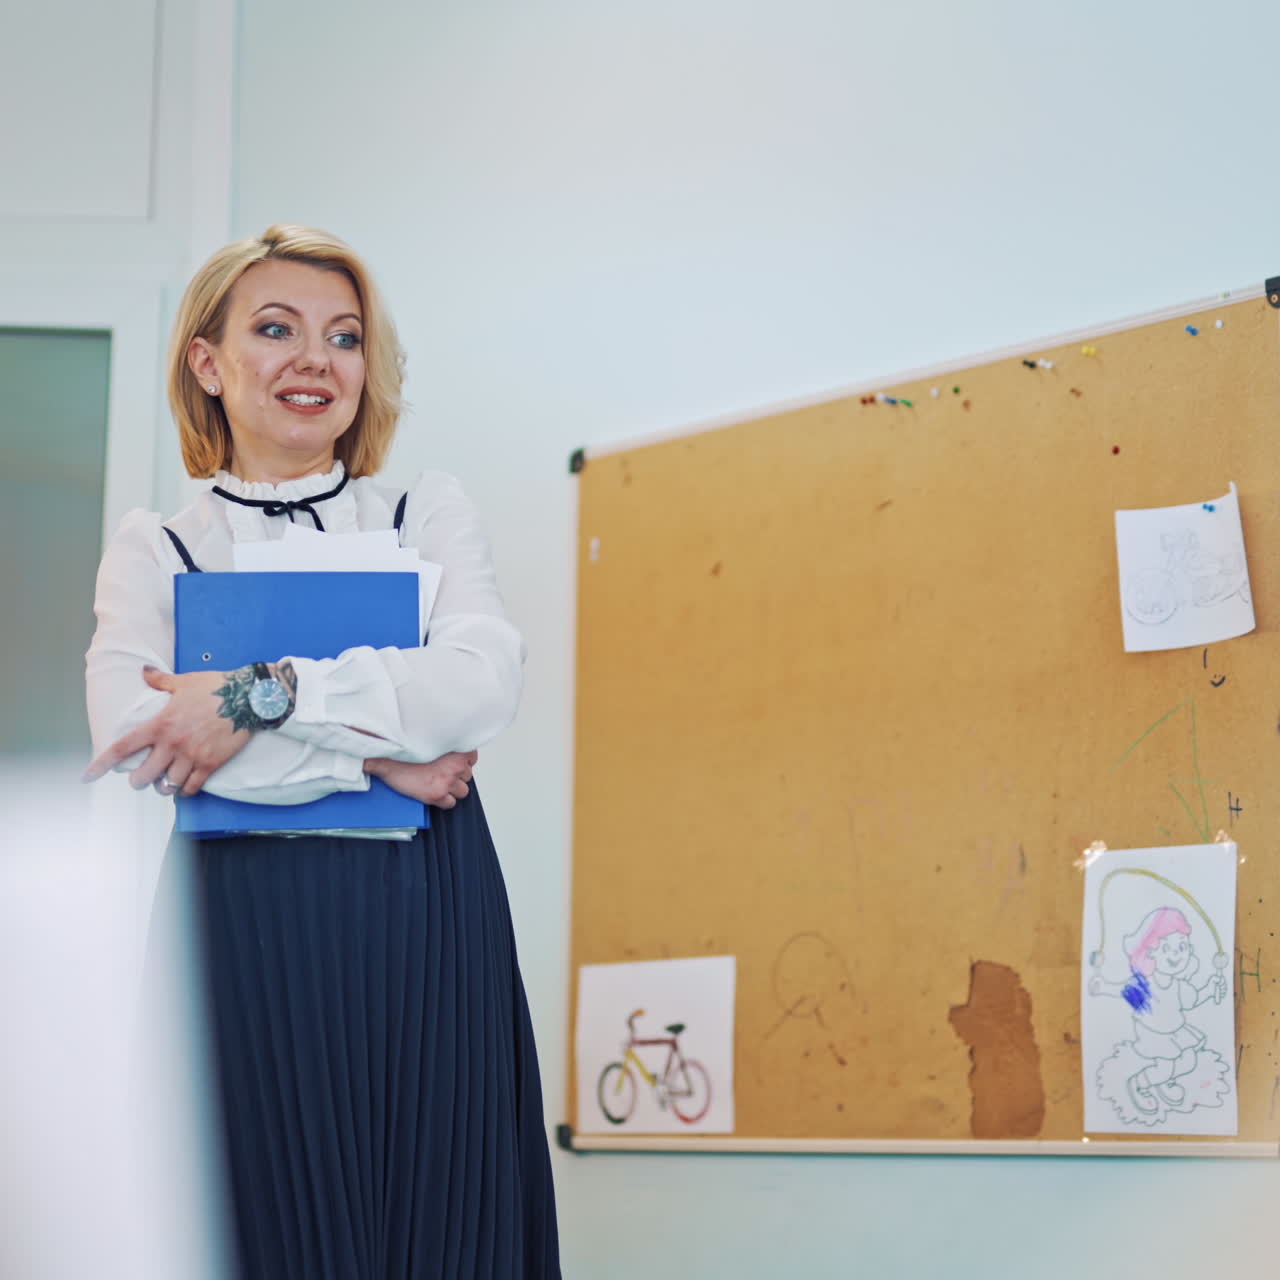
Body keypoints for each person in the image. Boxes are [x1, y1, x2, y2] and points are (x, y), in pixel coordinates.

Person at [82, 225, 560, 1278]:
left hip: (425, 915)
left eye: (344, 336)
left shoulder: (419, 506)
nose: (316, 358)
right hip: (242, 923)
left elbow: (483, 679)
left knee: (438, 1221)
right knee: (258, 1225)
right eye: (275, 328)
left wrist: (259, 695)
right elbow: (136, 736)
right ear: (208, 363)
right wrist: (381, 758)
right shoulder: (158, 544)